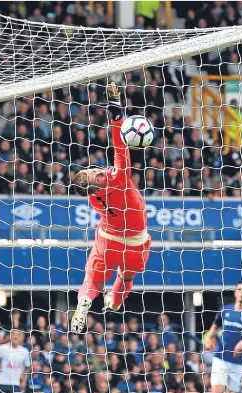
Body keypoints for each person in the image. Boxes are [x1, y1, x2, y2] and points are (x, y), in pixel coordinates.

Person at [71, 83, 151, 333]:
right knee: (126, 277)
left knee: (91, 280)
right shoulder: (118, 178)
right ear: (97, 184)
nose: (96, 170)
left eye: (91, 169)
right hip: (135, 241)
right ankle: (114, 302)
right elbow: (120, 147)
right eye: (95, 174)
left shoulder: (93, 198)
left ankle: (85, 301)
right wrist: (116, 111)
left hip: (108, 239)